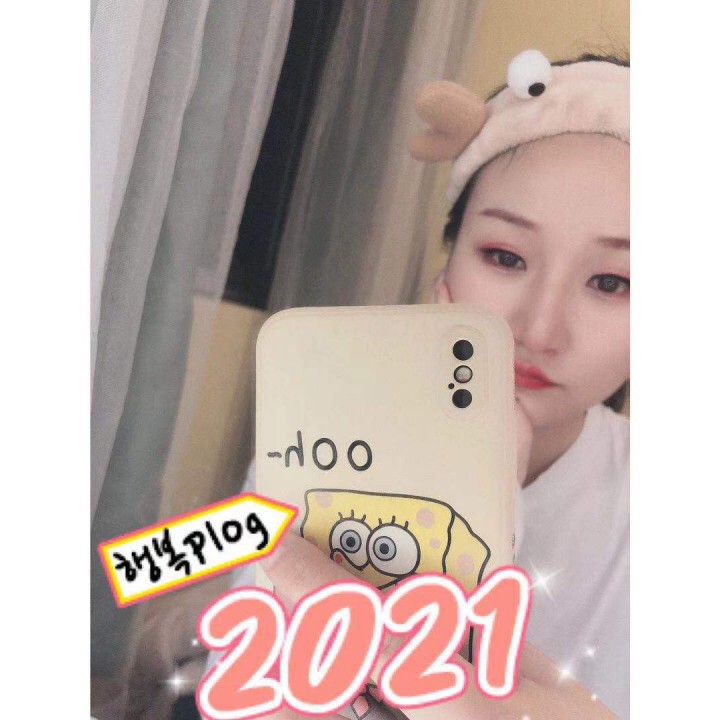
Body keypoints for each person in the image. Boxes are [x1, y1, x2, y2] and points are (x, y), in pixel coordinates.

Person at [223, 49, 630, 720]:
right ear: (449, 261)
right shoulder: (321, 440)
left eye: (612, 282)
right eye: (505, 256)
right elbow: (244, 672)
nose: (537, 328)